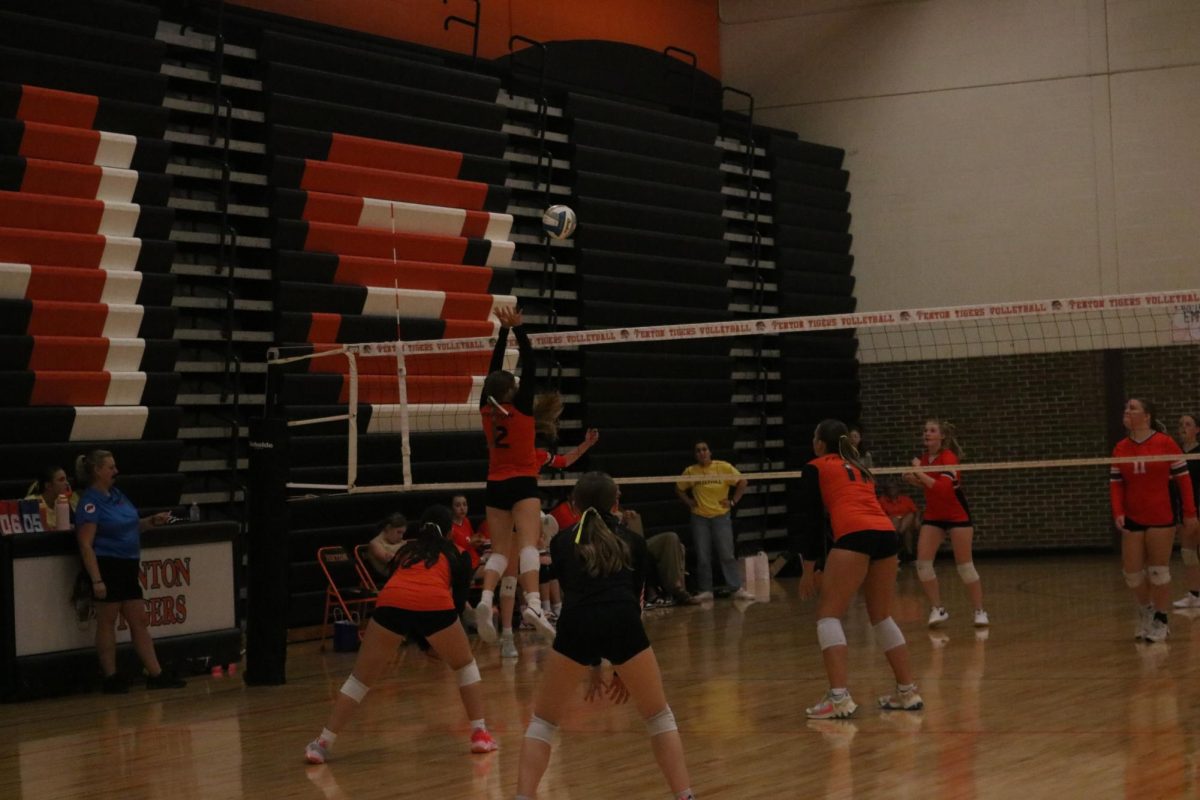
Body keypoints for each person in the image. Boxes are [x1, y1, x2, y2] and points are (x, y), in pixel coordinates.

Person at [515, 472, 696, 800]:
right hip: (624, 623)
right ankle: (685, 796)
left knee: (542, 722)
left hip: (576, 624)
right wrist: (626, 664)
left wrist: (596, 662)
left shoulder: (562, 541)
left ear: (573, 505)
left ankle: (522, 796)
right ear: (616, 503)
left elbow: (579, 599)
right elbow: (635, 602)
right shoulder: (635, 541)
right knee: (658, 717)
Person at [304, 505, 497, 763]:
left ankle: (322, 743)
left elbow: (404, 596)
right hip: (435, 603)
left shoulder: (405, 551)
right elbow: (458, 603)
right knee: (465, 665)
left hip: (391, 602)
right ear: (450, 530)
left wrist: (421, 639)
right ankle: (480, 734)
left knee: (359, 678)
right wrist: (431, 644)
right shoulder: (458, 553)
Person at [797, 419, 922, 720]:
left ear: (820, 443)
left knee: (828, 615)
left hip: (855, 534)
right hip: (885, 535)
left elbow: (812, 523)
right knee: (881, 616)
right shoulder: (860, 468)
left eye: (814, 436)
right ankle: (907, 691)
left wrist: (808, 567)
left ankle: (838, 697)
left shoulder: (815, 467)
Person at [474, 306, 557, 643]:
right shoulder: (521, 409)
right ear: (510, 392)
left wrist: (503, 332)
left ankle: (484, 598)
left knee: (498, 551)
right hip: (523, 482)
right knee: (528, 545)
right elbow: (531, 363)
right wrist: (517, 329)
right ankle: (535, 604)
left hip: (494, 484)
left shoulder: (485, 409)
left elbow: (493, 371)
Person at [74, 449, 186, 694]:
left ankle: (156, 674)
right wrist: (97, 580)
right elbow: (85, 544)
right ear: (97, 471)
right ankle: (111, 677)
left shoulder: (117, 495)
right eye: (111, 467)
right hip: (107, 564)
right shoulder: (90, 503)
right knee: (107, 620)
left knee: (139, 620)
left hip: (128, 564)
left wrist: (150, 521)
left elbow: (132, 525)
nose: (116, 471)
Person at [1110, 399, 1198, 641]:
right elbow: (1116, 484)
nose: (1127, 412)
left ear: (1147, 416)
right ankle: (1146, 609)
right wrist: (1118, 511)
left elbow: (1184, 481)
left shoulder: (1165, 443)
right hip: (1133, 517)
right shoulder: (1120, 448)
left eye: (1133, 408)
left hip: (1161, 517)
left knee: (1159, 571)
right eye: (1126, 408)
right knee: (1132, 574)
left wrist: (1190, 514)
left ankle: (1161, 619)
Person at [902, 419, 989, 628]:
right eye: (925, 431)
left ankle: (979, 611)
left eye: (932, 431)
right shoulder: (924, 459)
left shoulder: (949, 457)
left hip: (957, 515)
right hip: (934, 516)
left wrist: (918, 472)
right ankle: (937, 608)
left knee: (965, 567)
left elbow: (943, 488)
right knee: (923, 565)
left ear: (942, 436)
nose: (927, 434)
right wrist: (911, 478)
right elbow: (928, 485)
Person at [675, 441, 752, 602]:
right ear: (695, 455)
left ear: (710, 452)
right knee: (703, 556)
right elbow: (679, 488)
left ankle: (736, 588)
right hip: (699, 518)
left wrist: (733, 501)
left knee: (727, 553)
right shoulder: (691, 471)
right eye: (698, 451)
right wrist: (689, 502)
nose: (702, 453)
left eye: (704, 449)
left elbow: (742, 482)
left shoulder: (723, 467)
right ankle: (706, 590)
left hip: (721, 516)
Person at [619, 507, 699, 606]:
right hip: (622, 547)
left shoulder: (618, 507)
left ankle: (677, 587)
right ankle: (677, 592)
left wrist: (628, 517)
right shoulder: (602, 506)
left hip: (638, 543)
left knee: (673, 539)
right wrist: (619, 520)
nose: (619, 493)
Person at [1172, 414, 1200, 608]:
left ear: (1197, 429)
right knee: (1188, 552)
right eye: (1181, 424)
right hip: (1185, 510)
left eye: (1188, 424)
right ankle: (1194, 594)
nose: (1183, 428)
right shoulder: (1175, 454)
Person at [877, 478, 920, 561]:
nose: (892, 490)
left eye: (894, 487)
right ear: (886, 490)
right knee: (904, 528)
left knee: (910, 515)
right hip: (892, 523)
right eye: (890, 488)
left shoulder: (905, 499)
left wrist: (917, 520)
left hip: (906, 521)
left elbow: (916, 511)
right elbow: (881, 515)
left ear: (898, 489)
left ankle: (899, 537)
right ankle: (908, 554)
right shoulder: (882, 500)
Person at [24, 465, 77, 529]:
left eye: (66, 479)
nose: (67, 483)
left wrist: (67, 501)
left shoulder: (62, 502)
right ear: (48, 485)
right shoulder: (31, 502)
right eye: (61, 480)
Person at [365, 512, 407, 582]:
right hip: (390, 579)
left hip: (404, 575)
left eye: (403, 533)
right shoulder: (375, 544)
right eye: (398, 532)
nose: (401, 536)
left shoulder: (402, 542)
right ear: (388, 528)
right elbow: (390, 560)